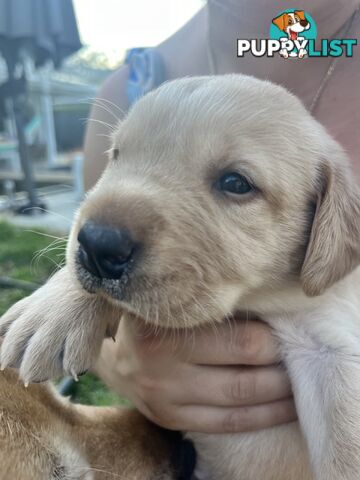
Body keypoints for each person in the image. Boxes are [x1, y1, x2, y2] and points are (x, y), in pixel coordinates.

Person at [84, 0, 360, 434]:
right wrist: (110, 356)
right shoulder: (132, 85)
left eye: (235, 182)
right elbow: (95, 259)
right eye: (120, 153)